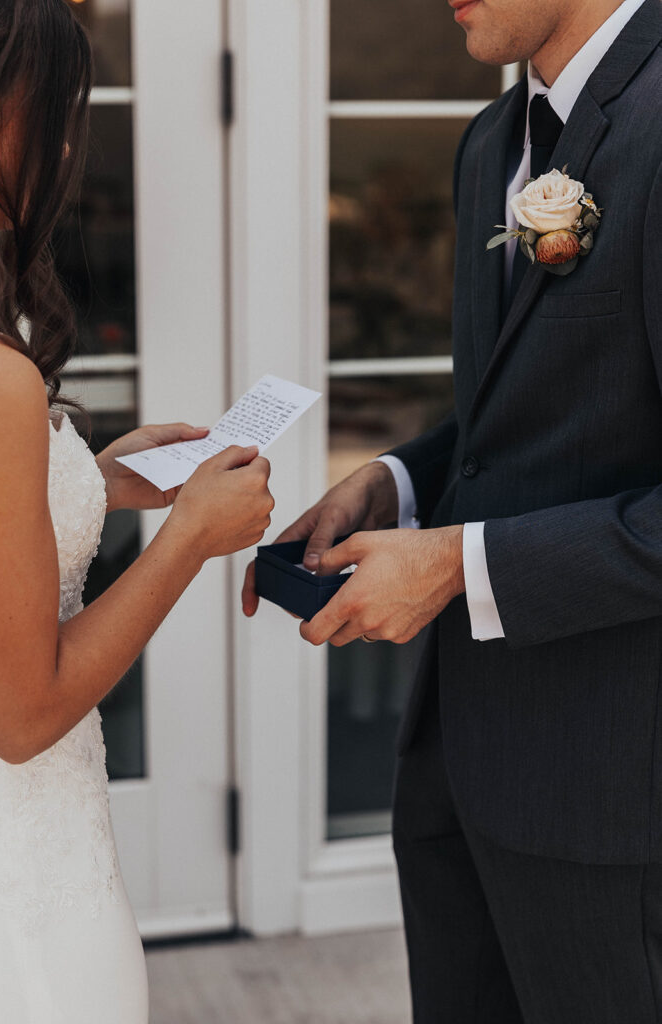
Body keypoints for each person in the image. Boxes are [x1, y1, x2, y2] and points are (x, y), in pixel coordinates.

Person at [243, 0, 662, 1020]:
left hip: (618, 792)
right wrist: (395, 480)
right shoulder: (489, 144)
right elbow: (525, 412)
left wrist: (458, 568)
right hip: (454, 763)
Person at [0, 3, 274, 1022]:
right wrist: (191, 535)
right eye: (55, 114)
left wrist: (89, 478)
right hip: (17, 869)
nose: (64, 145)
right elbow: (19, 715)